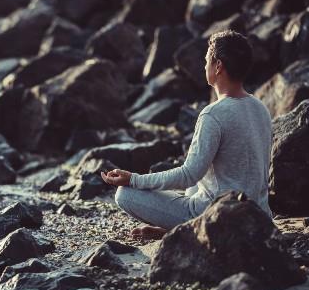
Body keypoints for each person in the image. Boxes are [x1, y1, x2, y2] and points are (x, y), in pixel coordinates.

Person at [101, 30, 273, 240]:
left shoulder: (213, 114)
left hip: (220, 217)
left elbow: (187, 174)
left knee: (125, 194)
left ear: (218, 66)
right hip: (259, 215)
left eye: (207, 59)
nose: (204, 66)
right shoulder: (260, 108)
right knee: (195, 187)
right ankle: (175, 229)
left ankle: (187, 230)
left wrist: (134, 180)